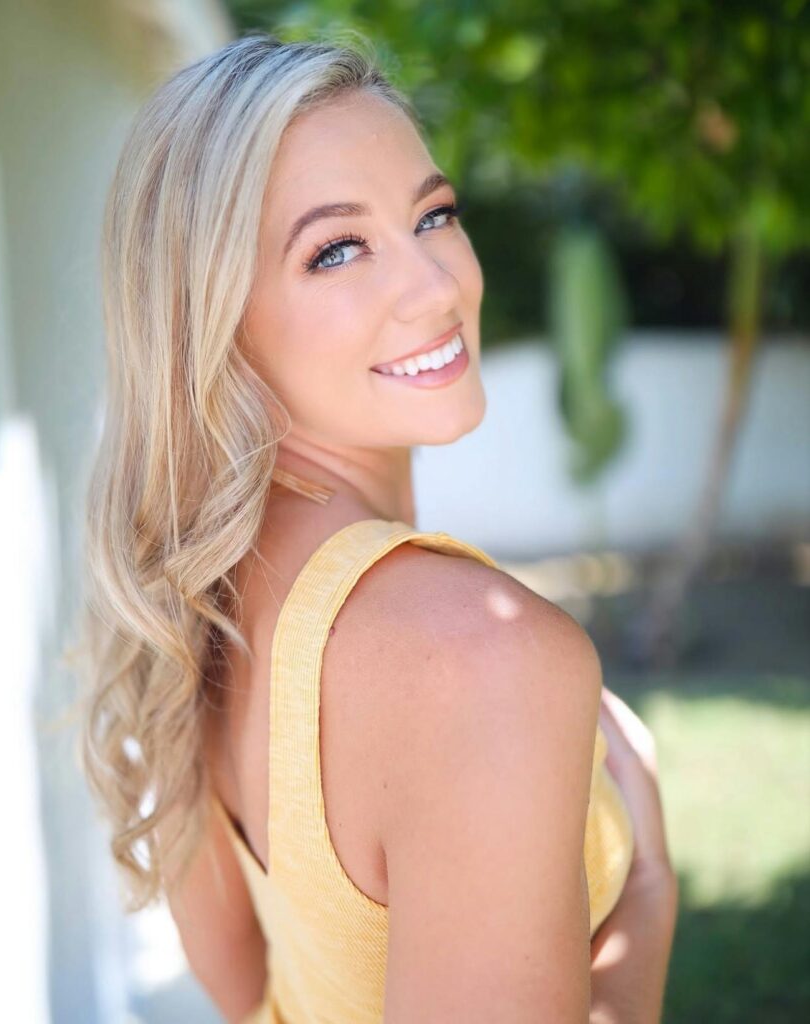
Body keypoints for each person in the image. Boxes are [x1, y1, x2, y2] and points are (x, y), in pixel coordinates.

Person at [73, 32, 677, 1024]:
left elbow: (249, 994)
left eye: (433, 215)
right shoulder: (479, 655)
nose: (439, 286)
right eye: (336, 249)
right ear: (212, 321)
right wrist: (644, 906)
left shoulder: (198, 613)